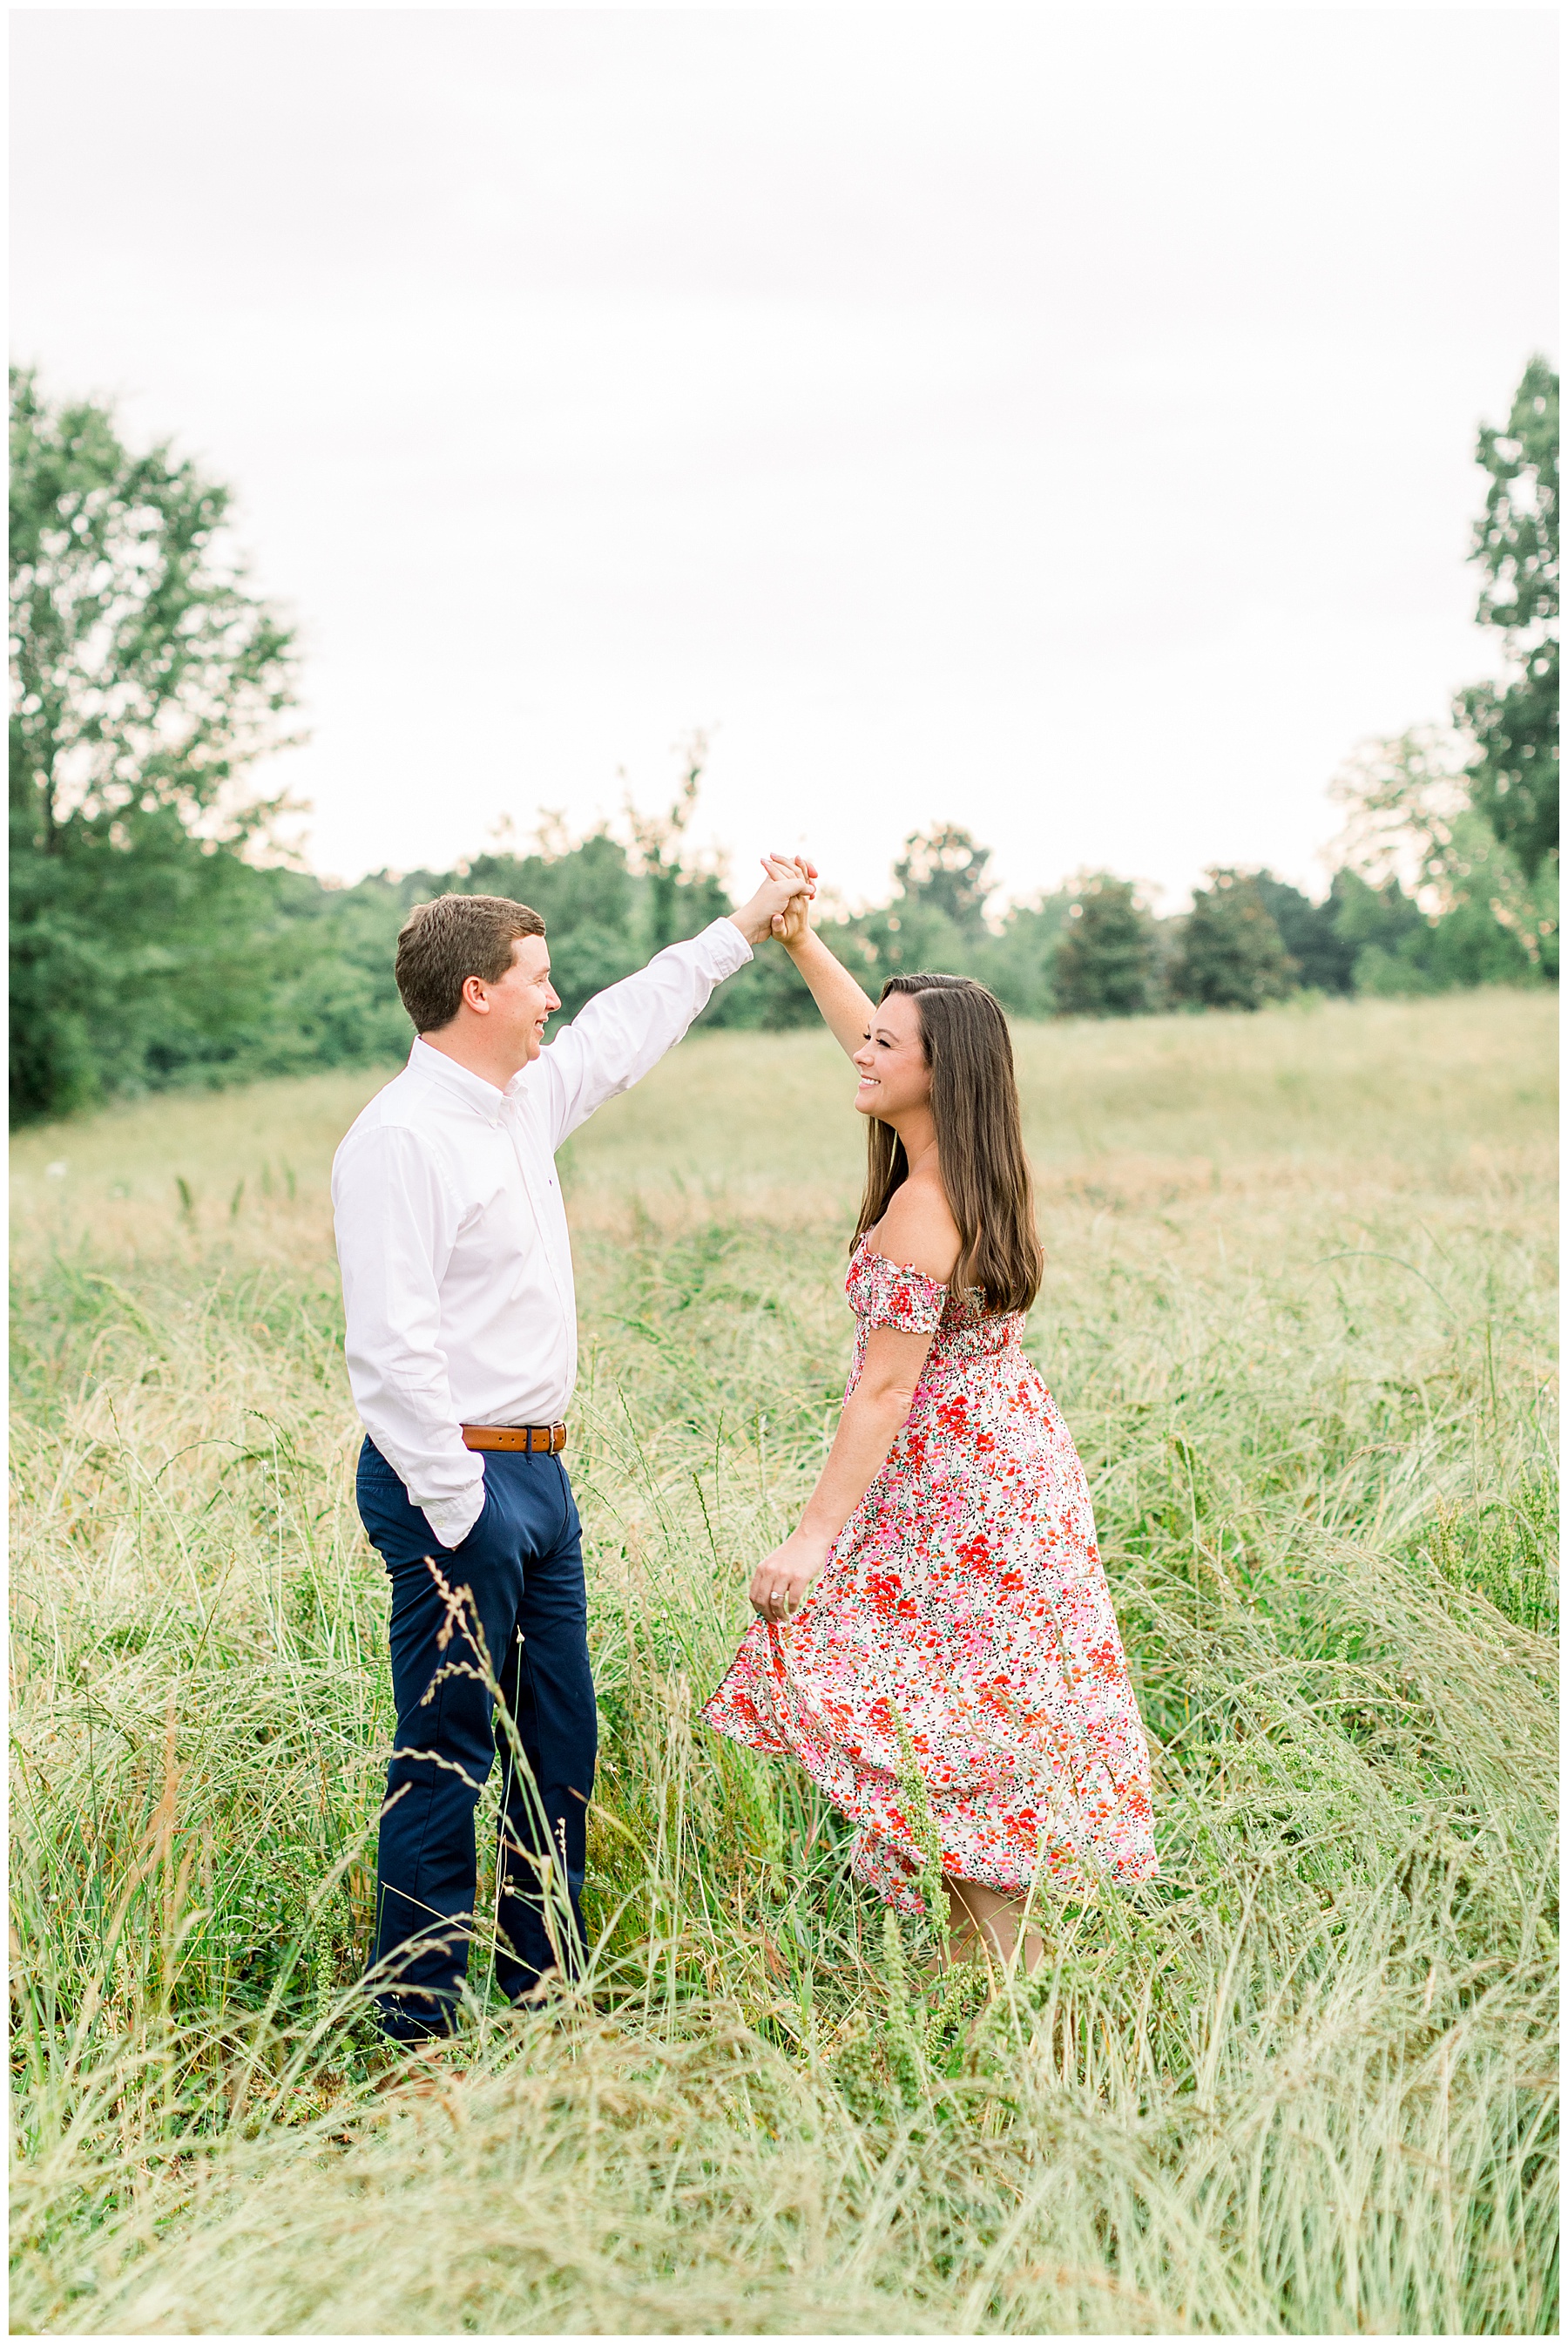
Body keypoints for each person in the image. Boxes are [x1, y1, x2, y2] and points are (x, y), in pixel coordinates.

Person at [333, 862, 811, 2046]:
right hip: (457, 1479)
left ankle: (541, 1990)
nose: (556, 1000)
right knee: (446, 1747)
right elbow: (391, 1351)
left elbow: (625, 1029)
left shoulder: (518, 1104)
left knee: (559, 1743)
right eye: (537, 981)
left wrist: (744, 928)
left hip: (542, 1474)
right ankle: (416, 2023)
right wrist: (464, 1505)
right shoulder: (399, 1140)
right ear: (478, 991)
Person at [702, 871, 1158, 1972]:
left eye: (886, 1046)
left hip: (951, 1487)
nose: (862, 1051)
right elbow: (874, 1030)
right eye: (868, 1036)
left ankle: (999, 1974)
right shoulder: (973, 1165)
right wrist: (805, 944)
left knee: (939, 1715)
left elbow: (884, 1388)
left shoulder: (921, 1203)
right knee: (973, 1714)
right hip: (1003, 1475)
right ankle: (991, 1970)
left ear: (938, 1073)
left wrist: (811, 1534)